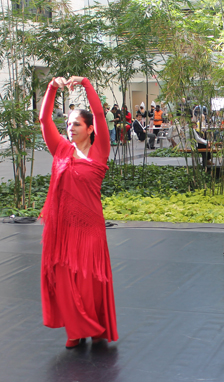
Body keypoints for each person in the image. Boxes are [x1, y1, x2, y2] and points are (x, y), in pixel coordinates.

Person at [38, 76, 118, 349]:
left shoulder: (100, 151)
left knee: (87, 283)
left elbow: (98, 112)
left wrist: (86, 83)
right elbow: (43, 120)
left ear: (89, 128)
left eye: (76, 124)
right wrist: (51, 88)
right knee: (65, 281)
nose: (70, 128)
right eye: (68, 124)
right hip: (61, 230)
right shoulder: (61, 149)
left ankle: (94, 327)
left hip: (89, 229)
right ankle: (74, 330)